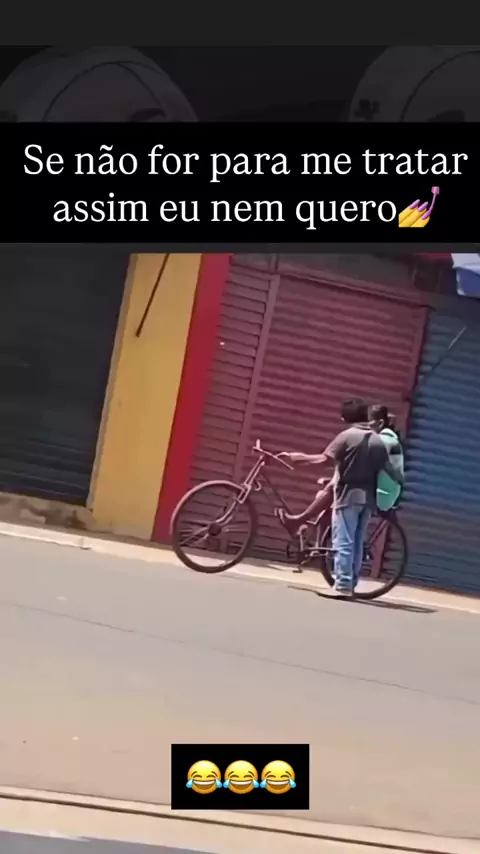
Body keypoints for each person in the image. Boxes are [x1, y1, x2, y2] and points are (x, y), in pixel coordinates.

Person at [279, 398, 404, 595]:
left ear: (345, 418)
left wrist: (298, 459)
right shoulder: (378, 441)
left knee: (343, 541)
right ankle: (351, 583)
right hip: (368, 500)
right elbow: (391, 470)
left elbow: (324, 460)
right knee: (356, 542)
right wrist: (398, 485)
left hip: (348, 495)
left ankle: (343, 585)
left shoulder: (346, 436)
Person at [370, 405, 404, 512]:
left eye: (369, 423)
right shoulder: (392, 440)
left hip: (380, 494)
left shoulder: (383, 440)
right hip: (389, 494)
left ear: (380, 423)